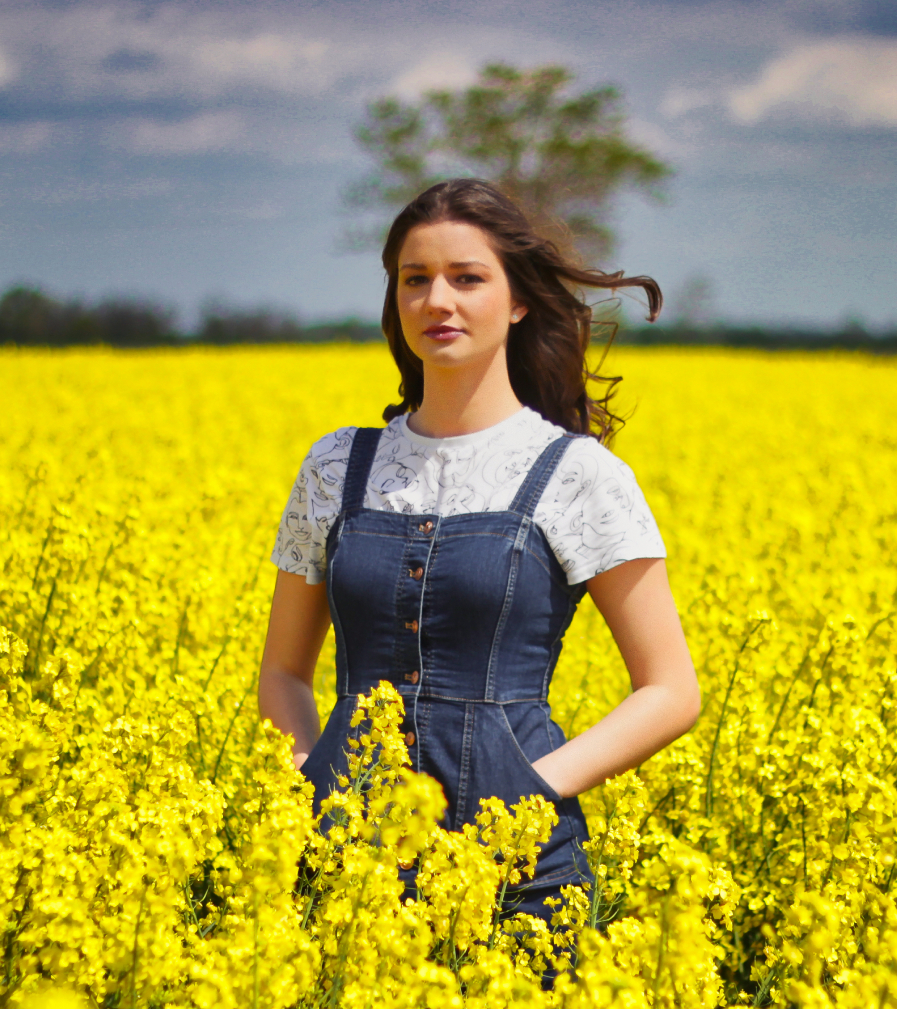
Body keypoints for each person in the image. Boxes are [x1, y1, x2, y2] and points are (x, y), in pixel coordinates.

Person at [257, 179, 701, 922]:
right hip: (340, 858)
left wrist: (531, 792)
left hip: (517, 867)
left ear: (518, 299)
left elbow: (670, 690)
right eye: (416, 279)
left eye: (467, 279)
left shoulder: (579, 473)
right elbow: (282, 671)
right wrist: (310, 773)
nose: (439, 301)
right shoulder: (335, 467)